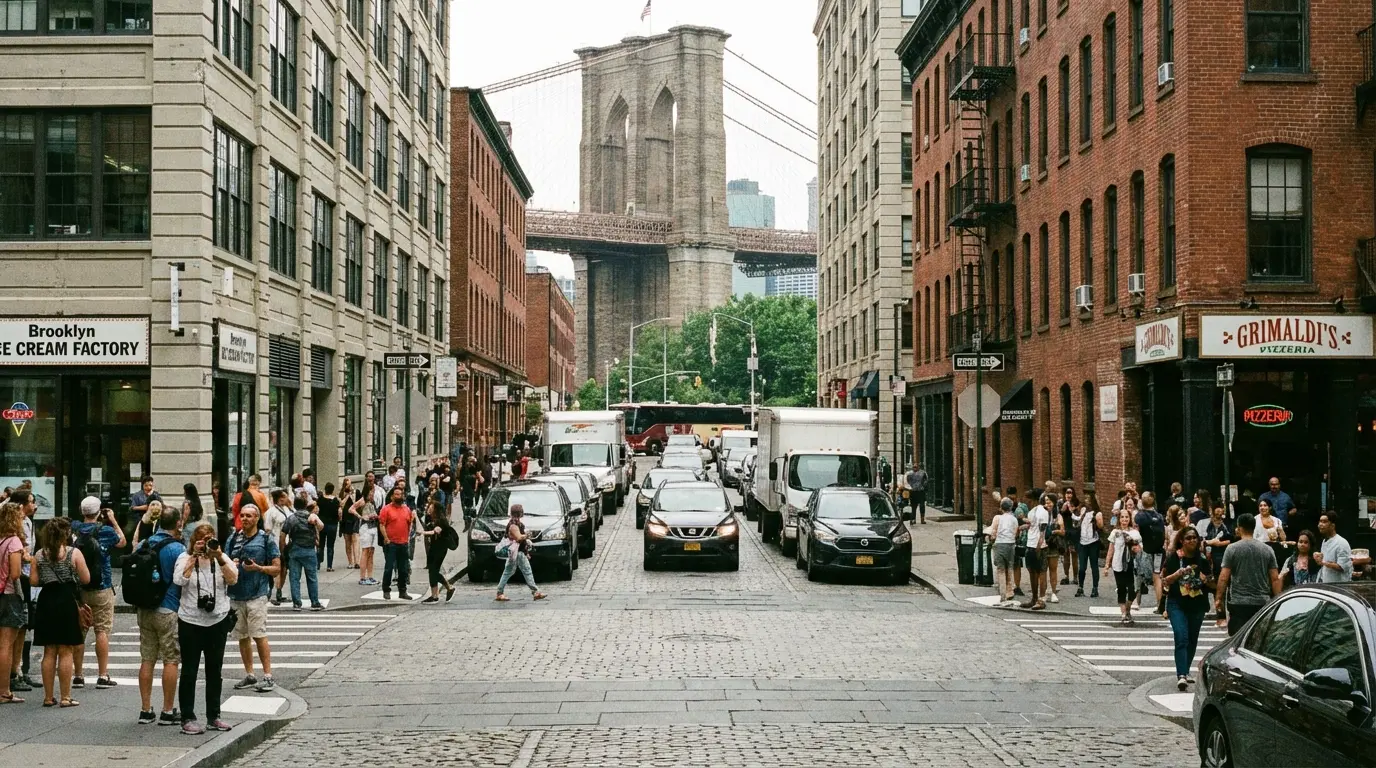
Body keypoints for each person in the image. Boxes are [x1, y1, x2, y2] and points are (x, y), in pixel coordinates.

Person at [172, 521, 238, 735]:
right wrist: (193, 557)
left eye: (210, 539)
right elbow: (179, 580)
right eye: (203, 540)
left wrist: (218, 556)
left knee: (214, 671)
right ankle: (187, 717)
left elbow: (233, 579)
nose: (207, 544)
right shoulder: (184, 558)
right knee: (189, 671)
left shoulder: (221, 559)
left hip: (217, 620)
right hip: (191, 621)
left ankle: (214, 715)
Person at [30, 517, 91, 708]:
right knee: (66, 650)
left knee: (49, 650)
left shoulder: (39, 555)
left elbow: (33, 581)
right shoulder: (74, 553)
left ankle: (48, 697)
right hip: (66, 601)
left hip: (47, 600)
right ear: (66, 534)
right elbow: (86, 578)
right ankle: (65, 696)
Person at [136, 507, 186, 725]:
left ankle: (145, 709)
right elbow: (182, 580)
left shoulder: (143, 544)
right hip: (168, 607)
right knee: (171, 659)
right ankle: (167, 710)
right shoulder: (177, 549)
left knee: (147, 658)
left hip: (144, 608)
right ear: (177, 524)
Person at [72, 496, 126, 690]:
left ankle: (78, 675)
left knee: (80, 632)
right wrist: (112, 519)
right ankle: (102, 674)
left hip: (80, 588)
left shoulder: (75, 529)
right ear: (99, 511)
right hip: (102, 585)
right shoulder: (105, 531)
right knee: (102, 630)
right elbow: (122, 542)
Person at [225, 505, 279, 693]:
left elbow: (277, 568)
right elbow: (223, 561)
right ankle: (249, 674)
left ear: (257, 518)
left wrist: (258, 568)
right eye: (243, 516)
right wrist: (231, 564)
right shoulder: (233, 539)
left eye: (249, 516)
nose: (245, 519)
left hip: (257, 593)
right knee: (242, 636)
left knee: (259, 634)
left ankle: (268, 675)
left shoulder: (266, 539)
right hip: (236, 593)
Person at [1163, 528, 1213, 691]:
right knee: (1181, 635)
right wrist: (1178, 574)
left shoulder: (1203, 559)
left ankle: (1185, 669)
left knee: (1192, 638)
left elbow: (1212, 583)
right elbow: (1165, 581)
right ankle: (1182, 675)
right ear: (1181, 541)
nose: (1192, 541)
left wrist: (1206, 580)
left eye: (1195, 538)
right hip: (1177, 602)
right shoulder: (1174, 558)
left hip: (1197, 604)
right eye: (1189, 538)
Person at [1215, 513, 1281, 635]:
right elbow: (1275, 579)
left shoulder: (1232, 549)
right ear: (1254, 527)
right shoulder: (1267, 549)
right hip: (1261, 602)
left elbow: (1224, 577)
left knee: (1237, 640)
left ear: (1239, 528)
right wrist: (1278, 600)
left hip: (1239, 603)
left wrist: (1218, 598)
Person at [0, 502, 30, 703]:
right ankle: (4, 691)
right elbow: (16, 573)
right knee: (6, 645)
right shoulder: (14, 542)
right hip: (9, 595)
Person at [279, 495, 324, 611]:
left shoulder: (291, 518)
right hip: (309, 550)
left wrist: (283, 550)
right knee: (312, 577)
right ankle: (314, 602)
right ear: (305, 505)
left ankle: (297, 603)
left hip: (295, 550)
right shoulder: (311, 517)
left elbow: (282, 536)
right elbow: (321, 527)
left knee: (294, 578)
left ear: (295, 505)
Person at [495, 505, 546, 602]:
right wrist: (527, 535)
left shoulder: (517, 523)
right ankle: (535, 592)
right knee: (526, 571)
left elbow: (521, 541)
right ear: (520, 513)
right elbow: (518, 538)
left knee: (509, 571)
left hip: (518, 552)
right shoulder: (513, 525)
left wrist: (526, 551)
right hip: (517, 553)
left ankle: (500, 592)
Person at [1103, 510, 1143, 626]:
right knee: (1121, 588)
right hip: (1118, 564)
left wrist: (1133, 545)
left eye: (1126, 517)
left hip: (1132, 564)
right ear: (1119, 519)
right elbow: (1111, 549)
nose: (1124, 520)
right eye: (1122, 517)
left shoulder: (1135, 533)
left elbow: (1140, 549)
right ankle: (1123, 613)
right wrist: (1107, 565)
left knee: (1132, 589)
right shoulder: (1115, 532)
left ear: (1130, 519)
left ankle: (1128, 608)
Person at [378, 486, 415, 601]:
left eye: (401, 494)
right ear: (392, 496)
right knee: (389, 568)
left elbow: (410, 523)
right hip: (391, 543)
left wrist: (408, 537)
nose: (399, 496)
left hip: (403, 543)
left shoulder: (406, 509)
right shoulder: (386, 509)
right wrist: (386, 538)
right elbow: (382, 524)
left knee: (403, 569)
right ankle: (386, 589)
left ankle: (402, 591)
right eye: (397, 494)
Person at [1134, 492, 1167, 615]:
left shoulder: (1140, 516)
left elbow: (1136, 530)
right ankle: (1159, 605)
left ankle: (1136, 602)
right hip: (1159, 551)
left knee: (1139, 574)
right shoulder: (1159, 517)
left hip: (1145, 550)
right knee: (1157, 577)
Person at [421, 501, 457, 604]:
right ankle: (435, 595)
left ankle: (448, 588)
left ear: (435, 509)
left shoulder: (441, 520)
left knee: (434, 571)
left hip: (440, 548)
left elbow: (435, 531)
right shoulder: (430, 519)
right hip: (433, 547)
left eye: (431, 507)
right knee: (432, 571)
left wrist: (422, 533)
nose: (429, 508)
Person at [1020, 495, 1050, 610]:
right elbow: (1032, 525)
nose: (1026, 501)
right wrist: (1024, 526)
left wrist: (1039, 545)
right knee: (1032, 571)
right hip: (1030, 543)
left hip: (1039, 546)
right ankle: (1034, 598)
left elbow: (1042, 530)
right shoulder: (1032, 511)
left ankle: (1041, 599)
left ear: (1034, 500)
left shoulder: (1043, 512)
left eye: (1028, 499)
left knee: (1041, 572)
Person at [989, 498, 1020, 605]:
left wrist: (991, 541)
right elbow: (1016, 533)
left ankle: (1003, 595)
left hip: (1000, 544)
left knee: (1001, 570)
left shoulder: (997, 518)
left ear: (1001, 507)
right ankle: (1010, 591)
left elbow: (993, 532)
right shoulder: (1014, 519)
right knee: (1010, 568)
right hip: (1011, 544)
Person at [1074, 491, 1103, 598]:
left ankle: (1095, 588)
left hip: (1093, 543)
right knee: (1082, 567)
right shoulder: (1082, 511)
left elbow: (1101, 527)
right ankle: (1080, 587)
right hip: (1082, 542)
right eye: (1085, 499)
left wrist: (1097, 520)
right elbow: (1076, 524)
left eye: (1088, 499)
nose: (1086, 501)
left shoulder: (1097, 513)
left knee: (1094, 566)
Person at [265, 490, 291, 605]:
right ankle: (272, 592)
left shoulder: (287, 509)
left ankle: (279, 590)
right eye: (285, 497)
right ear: (280, 498)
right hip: (275, 542)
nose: (287, 499)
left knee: (284, 568)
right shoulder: (271, 512)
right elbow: (267, 529)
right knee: (276, 567)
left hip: (286, 542)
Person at [1315, 512, 1353, 583]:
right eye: (1320, 521)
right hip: (1327, 584)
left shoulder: (1341, 542)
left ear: (1332, 525)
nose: (1320, 524)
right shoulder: (1324, 541)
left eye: (1324, 522)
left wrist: (1323, 562)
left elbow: (1342, 567)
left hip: (1340, 586)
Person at [1041, 495, 1065, 604]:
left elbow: (1063, 531)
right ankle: (1044, 593)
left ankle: (1053, 593)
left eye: (1049, 502)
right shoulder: (1042, 514)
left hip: (1053, 545)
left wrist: (1054, 531)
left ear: (1054, 503)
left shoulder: (1058, 516)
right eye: (1046, 502)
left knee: (1053, 569)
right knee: (1043, 570)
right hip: (1043, 544)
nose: (1047, 504)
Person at [1058, 487, 1081, 590]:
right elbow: (1060, 513)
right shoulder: (1061, 502)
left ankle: (1075, 577)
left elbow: (1079, 515)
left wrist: (1073, 509)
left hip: (1074, 531)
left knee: (1074, 554)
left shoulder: (1077, 503)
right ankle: (1066, 576)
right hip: (1065, 531)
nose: (1069, 495)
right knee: (1066, 553)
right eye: (1067, 492)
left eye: (1070, 492)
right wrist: (1064, 507)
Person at [315, 483, 341, 572]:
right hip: (333, 524)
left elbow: (317, 510)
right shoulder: (335, 501)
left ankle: (318, 563)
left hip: (322, 524)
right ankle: (329, 566)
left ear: (325, 489)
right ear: (332, 490)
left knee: (320, 544)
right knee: (330, 546)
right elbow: (339, 513)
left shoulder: (320, 499)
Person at [338, 478, 360, 570]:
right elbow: (341, 505)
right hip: (345, 519)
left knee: (355, 539)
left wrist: (352, 494)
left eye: (350, 485)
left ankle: (357, 562)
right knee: (347, 541)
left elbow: (359, 504)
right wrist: (347, 495)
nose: (349, 487)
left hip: (354, 518)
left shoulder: (357, 492)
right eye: (347, 485)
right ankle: (350, 561)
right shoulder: (342, 493)